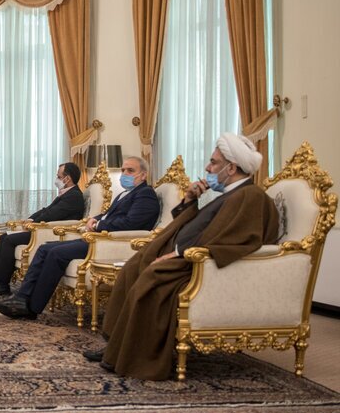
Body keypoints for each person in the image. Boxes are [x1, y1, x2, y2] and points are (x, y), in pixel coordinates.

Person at [83, 134, 279, 380]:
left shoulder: (249, 196)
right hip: (184, 255)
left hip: (197, 264)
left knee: (151, 278)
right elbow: (198, 227)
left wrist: (178, 254)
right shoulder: (230, 194)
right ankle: (116, 347)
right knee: (132, 268)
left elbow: (230, 239)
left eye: (213, 162)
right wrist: (189, 200)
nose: (207, 168)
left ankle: (135, 355)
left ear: (231, 168)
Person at [0, 156, 160, 320]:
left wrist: (98, 225)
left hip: (108, 244)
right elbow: (107, 215)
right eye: (123, 170)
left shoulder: (145, 194)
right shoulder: (126, 194)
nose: (124, 174)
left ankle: (31, 307)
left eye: (130, 170)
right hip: (97, 239)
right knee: (45, 248)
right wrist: (95, 219)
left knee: (56, 253)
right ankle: (21, 298)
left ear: (143, 175)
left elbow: (131, 223)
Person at [0, 162, 85, 296]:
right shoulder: (67, 193)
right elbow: (46, 210)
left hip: (51, 233)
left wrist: (33, 224)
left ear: (67, 178)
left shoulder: (74, 196)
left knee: (9, 240)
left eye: (58, 176)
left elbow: (52, 215)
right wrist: (31, 219)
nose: (56, 179)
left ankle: (1, 285)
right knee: (4, 237)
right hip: (42, 230)